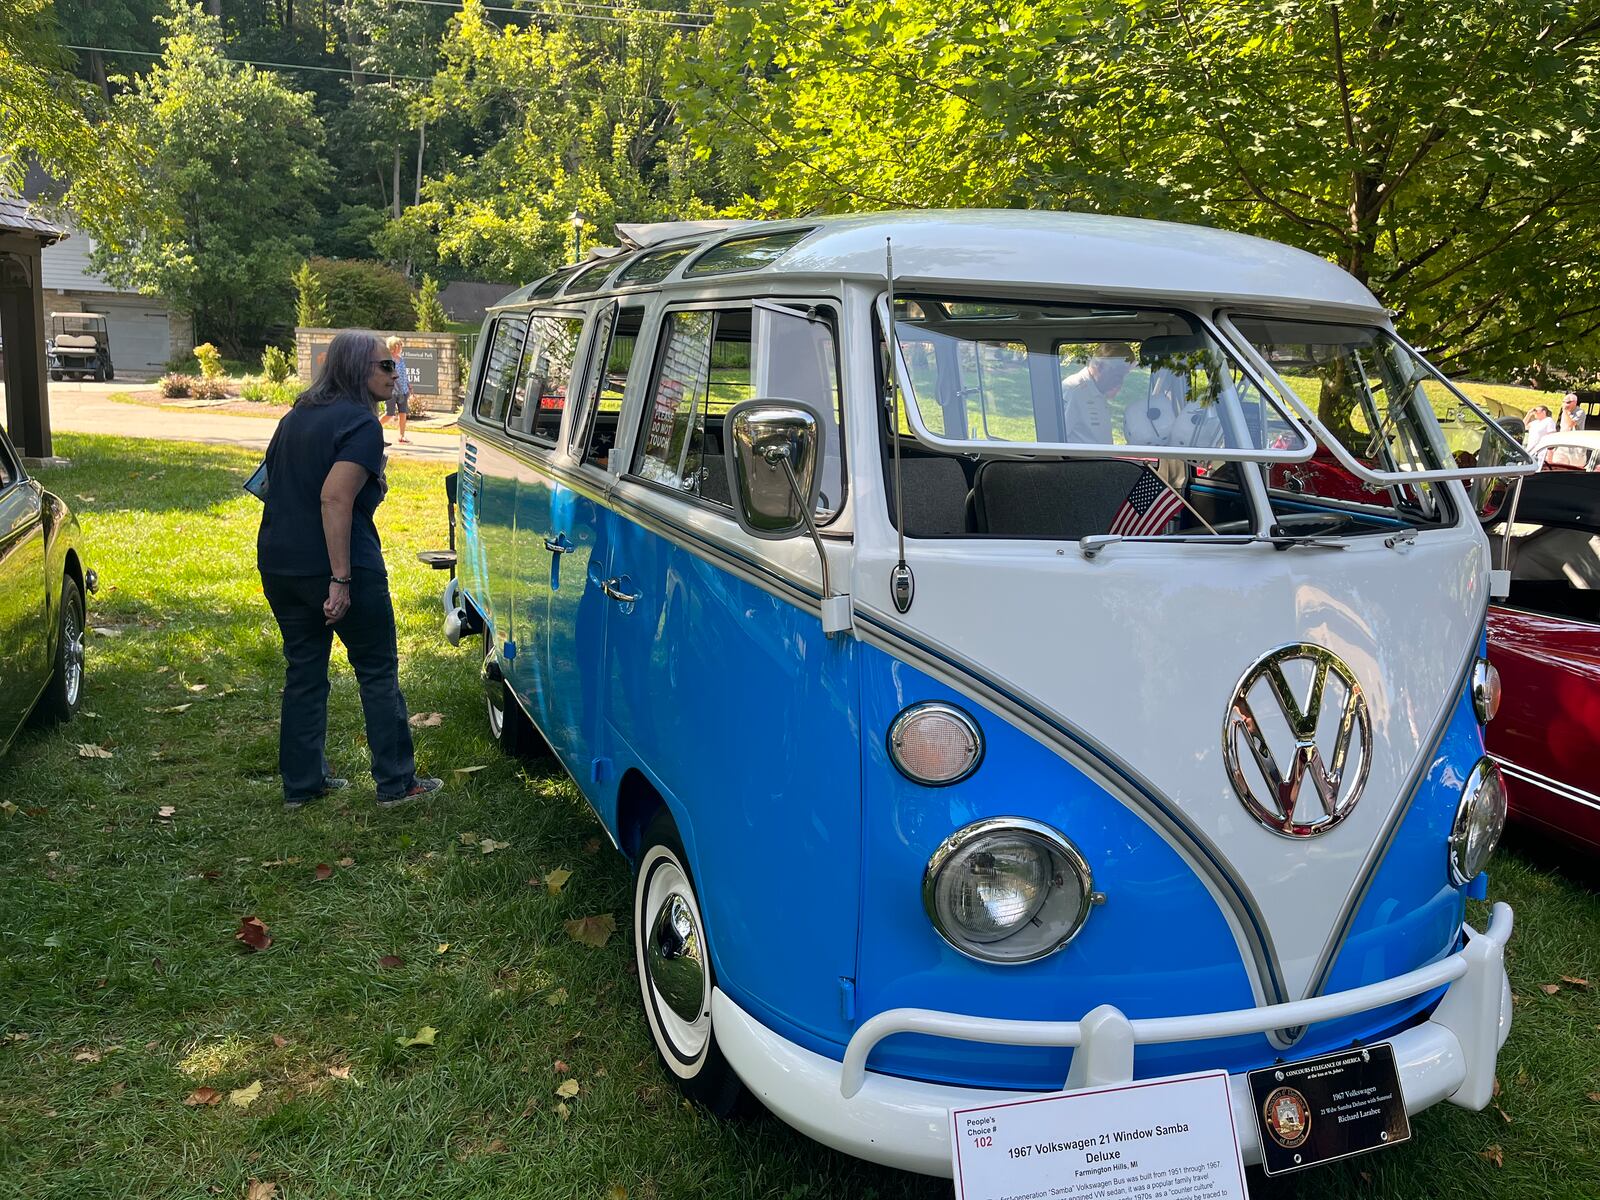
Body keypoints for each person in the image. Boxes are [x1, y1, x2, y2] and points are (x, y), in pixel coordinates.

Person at [256, 330, 442, 811]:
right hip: (340, 566)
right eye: (384, 366)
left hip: (280, 563)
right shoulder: (362, 424)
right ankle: (397, 784)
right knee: (377, 669)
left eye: (393, 366)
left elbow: (267, 486)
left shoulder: (295, 416)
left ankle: (302, 784)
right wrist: (340, 579)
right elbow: (334, 498)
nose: (393, 372)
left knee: (304, 672)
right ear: (357, 368)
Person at [1059, 341, 1134, 444]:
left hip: (1101, 458)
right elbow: (1055, 442)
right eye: (1117, 375)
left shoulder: (1097, 390)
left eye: (1123, 375)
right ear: (1099, 366)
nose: (1120, 381)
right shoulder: (1073, 390)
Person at [378, 335, 412, 443]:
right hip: (391, 391)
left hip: (403, 391)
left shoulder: (401, 359)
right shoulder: (387, 360)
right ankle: (373, 427)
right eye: (399, 345)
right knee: (390, 414)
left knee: (403, 413)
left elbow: (404, 374)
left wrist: (409, 385)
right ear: (394, 346)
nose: (401, 347)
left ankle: (402, 436)